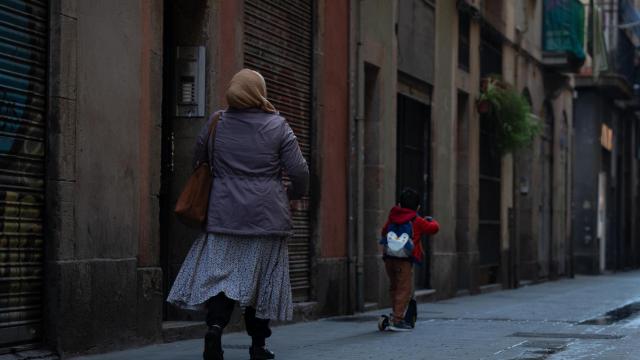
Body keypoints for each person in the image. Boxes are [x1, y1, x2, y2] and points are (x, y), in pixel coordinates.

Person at [167, 69, 309, 360]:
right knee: (261, 284)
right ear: (259, 92)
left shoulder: (217, 122)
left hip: (223, 217)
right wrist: (292, 194)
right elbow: (299, 171)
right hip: (266, 219)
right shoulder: (278, 126)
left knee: (222, 280)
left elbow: (198, 159)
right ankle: (257, 345)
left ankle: (215, 328)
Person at [379, 188, 439, 331]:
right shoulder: (416, 220)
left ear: (399, 204)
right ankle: (398, 319)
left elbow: (383, 232)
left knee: (394, 287)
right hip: (404, 260)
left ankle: (395, 314)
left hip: (389, 258)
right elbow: (433, 229)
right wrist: (431, 221)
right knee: (404, 289)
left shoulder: (392, 217)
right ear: (418, 207)